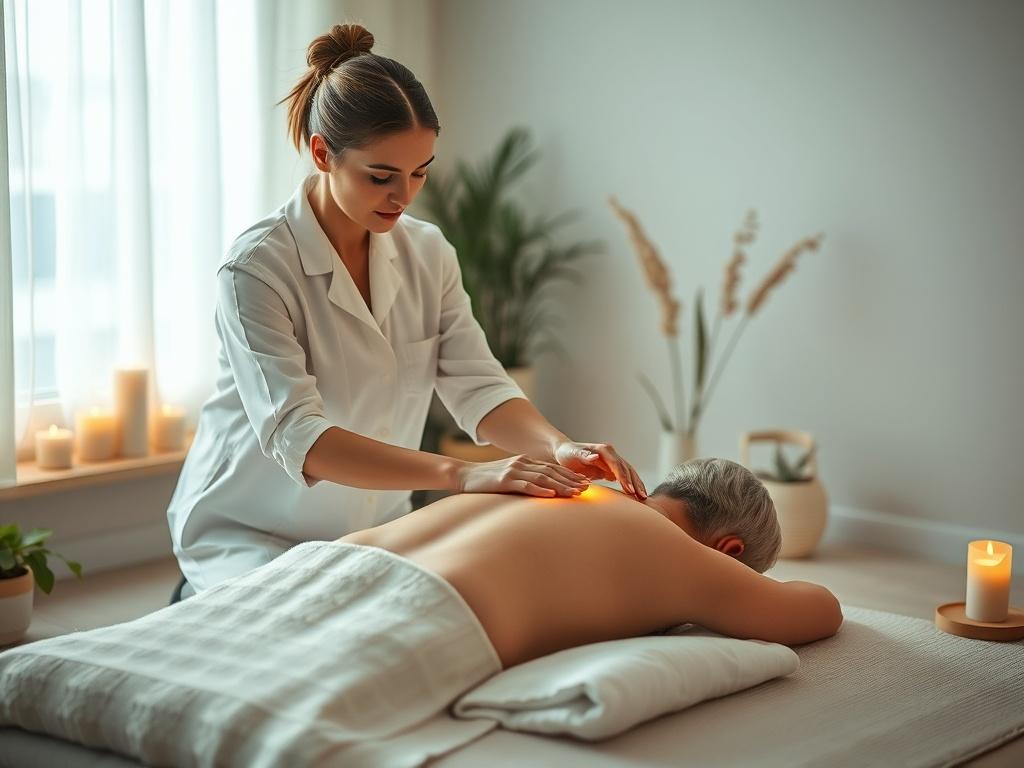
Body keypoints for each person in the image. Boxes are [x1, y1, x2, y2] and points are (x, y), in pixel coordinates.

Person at [166, 23, 646, 602]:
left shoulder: (427, 251)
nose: (405, 195)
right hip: (252, 531)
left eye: (420, 171)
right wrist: (463, 473)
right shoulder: (255, 269)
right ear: (322, 153)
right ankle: (191, 598)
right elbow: (302, 438)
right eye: (381, 176)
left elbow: (479, 385)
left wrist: (559, 446)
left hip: (375, 525)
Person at [338, 457, 843, 668]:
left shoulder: (561, 481)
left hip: (326, 565)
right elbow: (822, 609)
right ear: (727, 551)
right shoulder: (682, 555)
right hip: (409, 623)